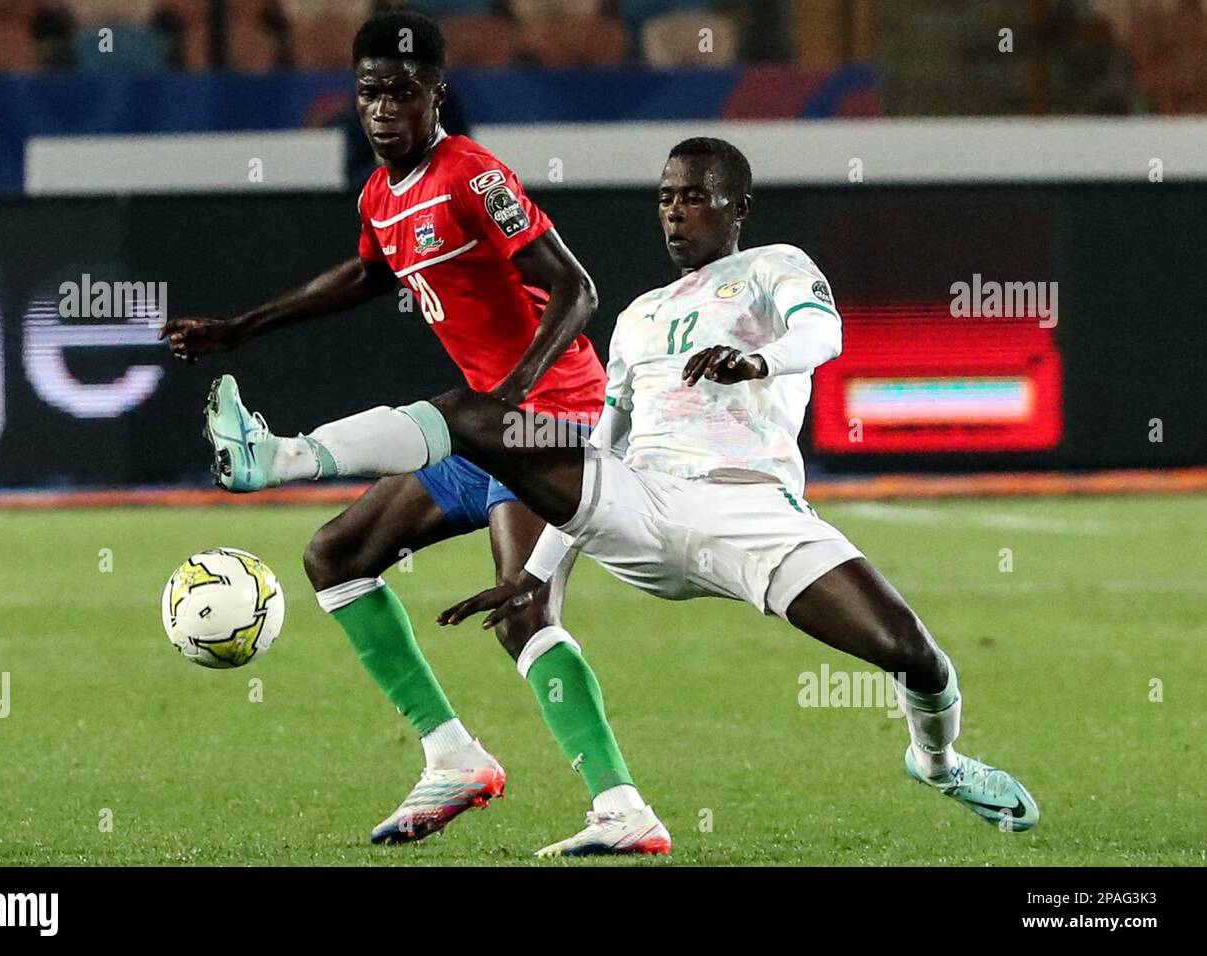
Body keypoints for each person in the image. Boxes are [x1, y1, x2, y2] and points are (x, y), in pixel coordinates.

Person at [203, 136, 1041, 843]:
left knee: (913, 656)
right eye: (667, 197)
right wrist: (541, 569)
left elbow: (825, 334)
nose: (677, 211)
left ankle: (937, 761)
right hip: (642, 500)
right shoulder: (638, 316)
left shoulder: (776, 269)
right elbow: (602, 443)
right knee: (472, 415)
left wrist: (762, 357)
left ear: (739, 206)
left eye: (697, 197)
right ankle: (282, 459)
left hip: (751, 515)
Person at [164, 12, 667, 857]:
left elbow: (576, 288)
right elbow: (367, 271)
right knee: (336, 554)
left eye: (402, 91)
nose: (384, 108)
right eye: (370, 93)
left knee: (521, 611)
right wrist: (244, 327)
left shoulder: (473, 174)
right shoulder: (381, 194)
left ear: (437, 93)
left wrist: (506, 399)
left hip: (555, 421)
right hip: (483, 430)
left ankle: (623, 808)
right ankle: (453, 757)